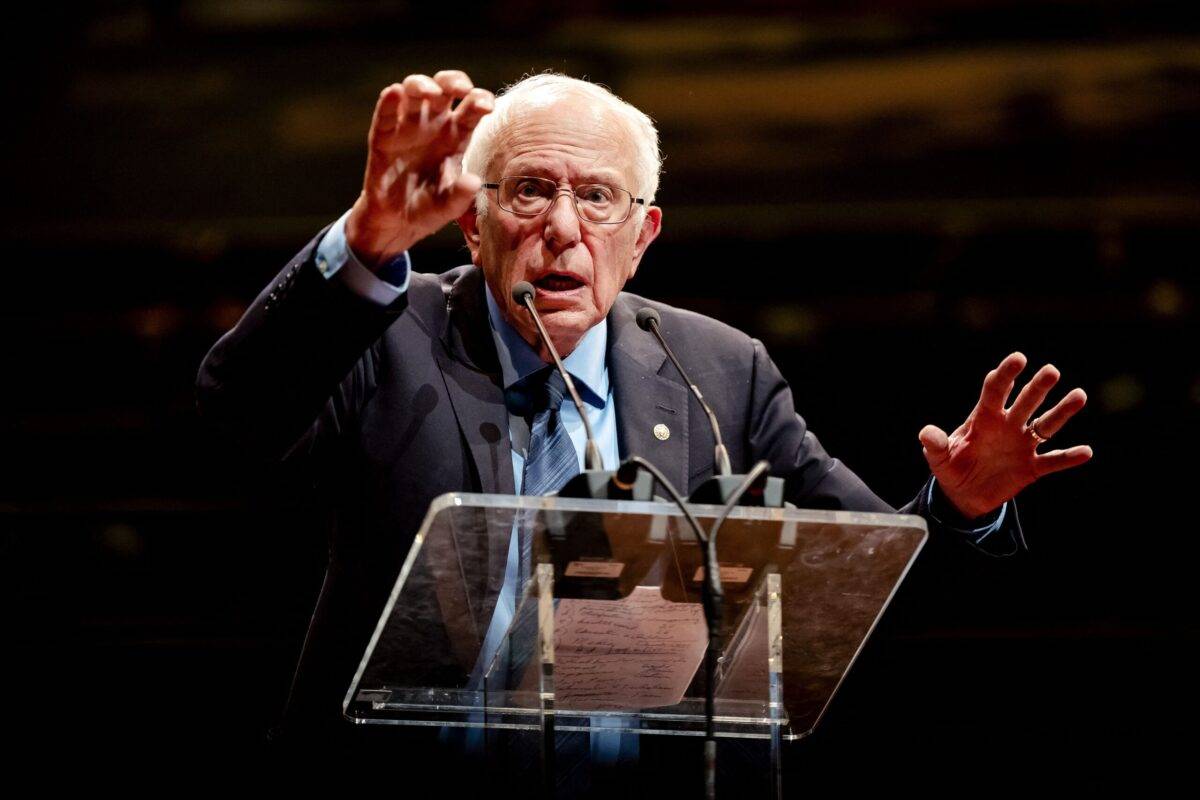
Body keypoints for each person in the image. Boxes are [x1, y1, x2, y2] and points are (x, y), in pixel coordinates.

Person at [196, 70, 1092, 739]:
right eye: (532, 191)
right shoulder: (388, 330)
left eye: (596, 197)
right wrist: (367, 241)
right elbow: (234, 417)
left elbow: (858, 583)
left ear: (642, 234)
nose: (562, 227)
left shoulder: (717, 369)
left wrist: (959, 510)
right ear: (473, 221)